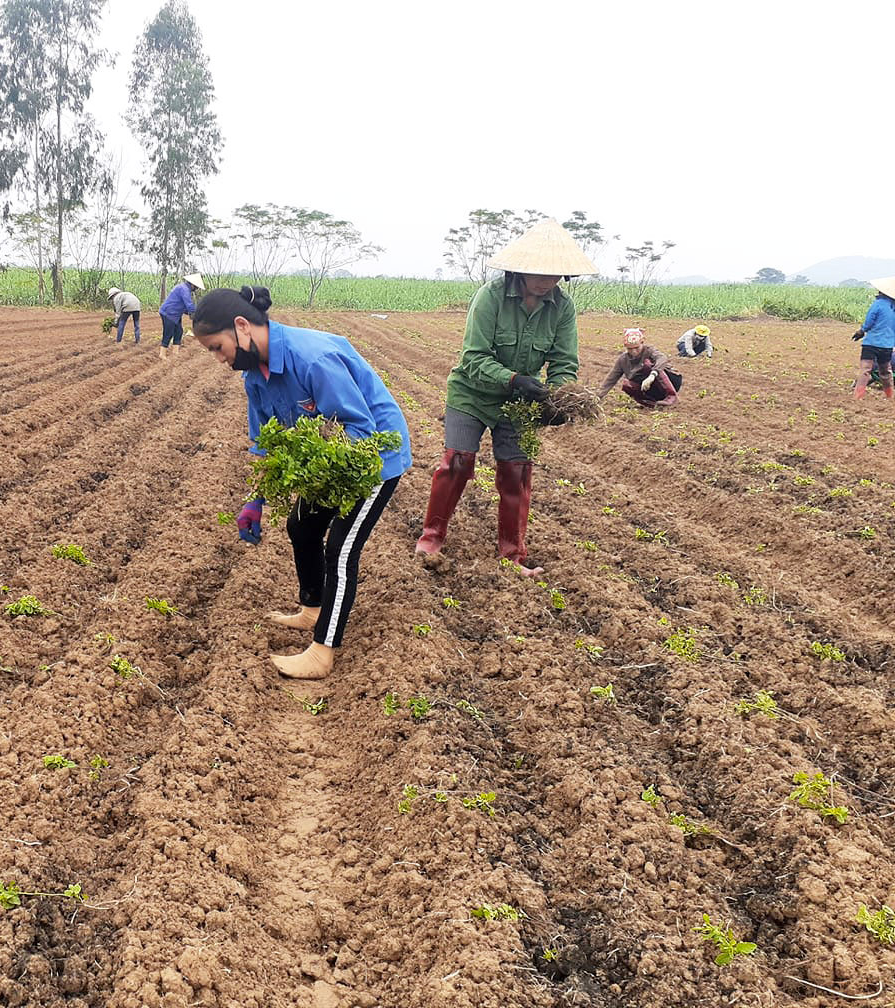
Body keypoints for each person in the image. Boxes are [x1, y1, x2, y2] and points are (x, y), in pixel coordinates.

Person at [192, 286, 411, 682]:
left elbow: (359, 429)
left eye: (216, 347)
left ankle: (323, 651)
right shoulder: (254, 377)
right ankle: (312, 607)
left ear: (241, 327)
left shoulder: (313, 359)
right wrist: (254, 499)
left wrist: (312, 457)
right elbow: (265, 442)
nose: (218, 358)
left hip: (373, 459)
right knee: (301, 527)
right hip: (329, 460)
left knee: (341, 551)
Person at [414, 218, 593, 577]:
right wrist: (513, 379)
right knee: (458, 463)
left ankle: (513, 555)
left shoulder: (562, 308)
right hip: (472, 393)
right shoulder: (491, 297)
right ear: (520, 269)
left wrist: (557, 397)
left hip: (520, 402)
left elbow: (563, 362)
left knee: (516, 473)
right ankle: (431, 536)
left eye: (555, 274)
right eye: (539, 272)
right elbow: (474, 357)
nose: (546, 280)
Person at [599, 328, 681, 408]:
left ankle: (671, 396)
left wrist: (652, 375)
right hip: (649, 388)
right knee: (626, 384)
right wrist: (598, 396)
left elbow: (662, 358)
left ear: (642, 343)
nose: (634, 351)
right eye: (630, 349)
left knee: (647, 365)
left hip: (670, 381)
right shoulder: (623, 360)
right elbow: (611, 379)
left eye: (636, 348)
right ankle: (651, 403)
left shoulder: (649, 350)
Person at [852, 277, 895, 401]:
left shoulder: (877, 305)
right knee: (886, 372)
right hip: (887, 346)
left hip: (871, 343)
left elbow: (869, 322)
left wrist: (861, 331)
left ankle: (858, 396)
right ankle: (889, 396)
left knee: (865, 370)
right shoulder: (894, 308)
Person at [158, 272, 204, 360]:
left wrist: (191, 313)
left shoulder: (184, 288)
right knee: (168, 333)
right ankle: (162, 354)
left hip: (176, 314)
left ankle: (175, 353)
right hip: (169, 313)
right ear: (193, 284)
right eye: (197, 287)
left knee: (179, 331)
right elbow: (189, 305)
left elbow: (185, 307)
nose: (197, 289)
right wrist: (196, 314)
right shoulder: (184, 289)